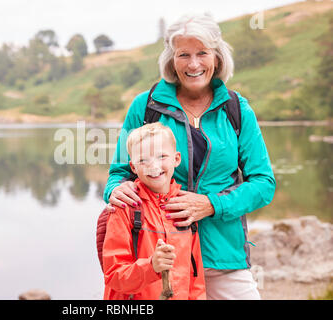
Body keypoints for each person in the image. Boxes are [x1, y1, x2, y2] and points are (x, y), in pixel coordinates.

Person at [103, 13, 276, 300]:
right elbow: (119, 173)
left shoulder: (237, 109)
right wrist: (115, 190)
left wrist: (212, 205)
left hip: (224, 255)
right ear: (171, 60)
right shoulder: (145, 107)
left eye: (202, 53)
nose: (193, 64)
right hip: (162, 259)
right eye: (184, 54)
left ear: (217, 57)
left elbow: (264, 184)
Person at [103, 122, 205, 300]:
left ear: (176, 159)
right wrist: (151, 267)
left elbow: (196, 279)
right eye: (143, 160)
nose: (153, 165)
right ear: (133, 167)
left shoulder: (184, 208)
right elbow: (113, 275)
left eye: (162, 156)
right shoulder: (125, 207)